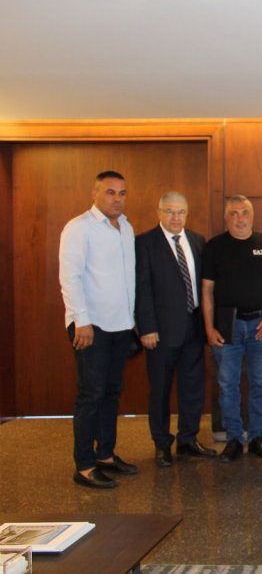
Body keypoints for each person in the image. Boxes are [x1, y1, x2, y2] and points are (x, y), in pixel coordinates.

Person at [59, 170, 138, 488]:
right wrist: (81, 320)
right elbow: (70, 277)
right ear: (94, 193)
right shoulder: (79, 228)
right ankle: (84, 465)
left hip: (121, 325)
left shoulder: (126, 227)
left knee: (111, 392)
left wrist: (133, 320)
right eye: (110, 192)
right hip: (91, 326)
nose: (117, 198)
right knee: (90, 395)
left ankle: (105, 454)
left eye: (122, 193)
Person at [135, 191, 215, 467]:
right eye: (169, 211)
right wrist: (146, 327)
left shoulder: (197, 240)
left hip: (193, 328)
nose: (175, 217)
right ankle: (161, 444)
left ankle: (188, 440)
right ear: (159, 212)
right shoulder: (144, 243)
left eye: (181, 212)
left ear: (187, 213)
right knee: (160, 389)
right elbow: (141, 288)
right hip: (160, 332)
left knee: (192, 387)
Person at [200, 195, 262, 463]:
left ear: (252, 216)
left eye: (244, 212)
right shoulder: (214, 247)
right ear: (226, 217)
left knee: (260, 382)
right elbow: (206, 291)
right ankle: (234, 438)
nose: (239, 218)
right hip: (225, 326)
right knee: (227, 384)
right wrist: (209, 328)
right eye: (233, 213)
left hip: (261, 325)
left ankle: (257, 437)